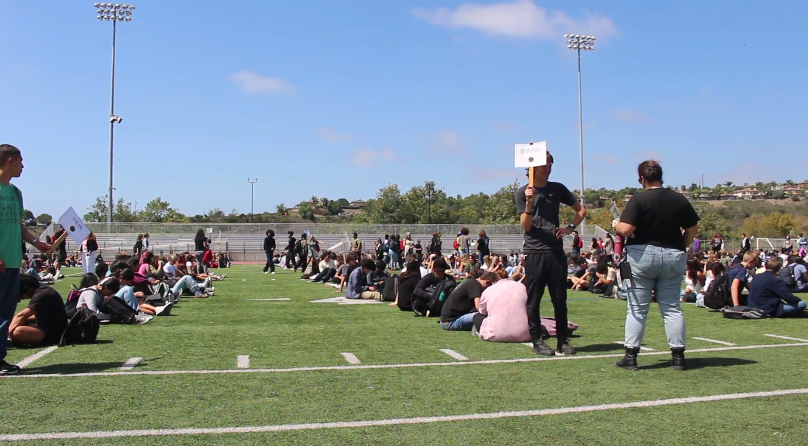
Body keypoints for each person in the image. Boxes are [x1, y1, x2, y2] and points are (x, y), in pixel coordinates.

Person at [614, 160, 699, 372]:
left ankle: (631, 356)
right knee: (671, 308)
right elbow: (692, 229)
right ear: (661, 176)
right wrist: (681, 246)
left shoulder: (639, 199)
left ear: (641, 179)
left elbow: (625, 229)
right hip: (673, 253)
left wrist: (616, 224)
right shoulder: (679, 199)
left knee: (637, 308)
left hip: (642, 254)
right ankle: (678, 357)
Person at [515, 150, 587, 356]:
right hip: (534, 251)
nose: (549, 169)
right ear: (533, 167)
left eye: (551, 165)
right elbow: (526, 226)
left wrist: (570, 228)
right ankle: (537, 339)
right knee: (534, 299)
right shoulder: (522, 192)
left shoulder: (557, 189)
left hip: (555, 252)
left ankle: (562, 341)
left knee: (559, 298)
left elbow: (581, 210)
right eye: (545, 165)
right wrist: (529, 204)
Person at [0, 144, 52, 375]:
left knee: (5, 312)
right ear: (10, 160)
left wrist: (35, 242)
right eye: (21, 161)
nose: (23, 166)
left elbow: (18, 225)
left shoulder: (15, 192)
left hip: (12, 261)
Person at [8, 274, 68, 347]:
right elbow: (36, 316)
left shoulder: (42, 294)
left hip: (54, 332)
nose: (21, 297)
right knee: (15, 322)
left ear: (27, 289)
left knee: (18, 332)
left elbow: (22, 315)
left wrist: (6, 334)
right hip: (45, 325)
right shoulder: (42, 290)